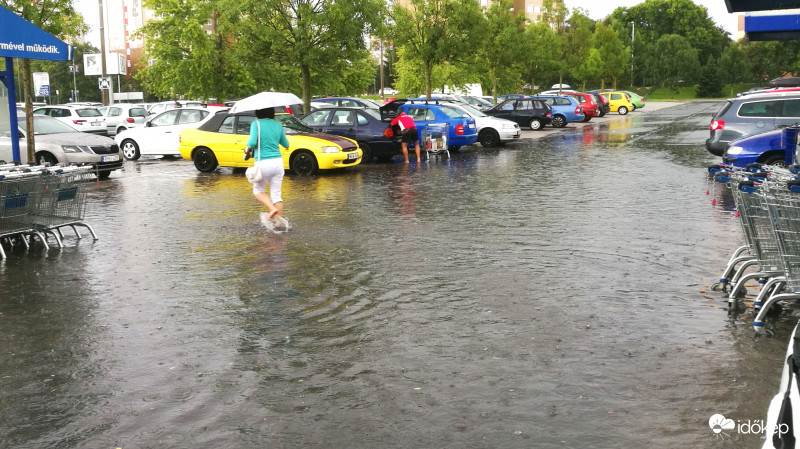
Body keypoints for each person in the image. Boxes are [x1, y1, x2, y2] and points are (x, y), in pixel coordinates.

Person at [246, 107, 290, 230]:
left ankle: (272, 209)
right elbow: (286, 144)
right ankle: (278, 224)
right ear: (272, 113)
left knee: (258, 190)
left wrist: (249, 146)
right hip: (278, 163)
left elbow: (252, 143)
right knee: (276, 194)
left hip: (263, 162)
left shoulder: (256, 124)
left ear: (258, 112)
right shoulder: (278, 125)